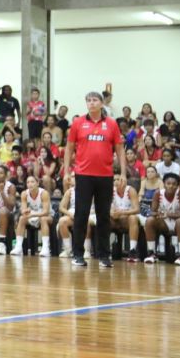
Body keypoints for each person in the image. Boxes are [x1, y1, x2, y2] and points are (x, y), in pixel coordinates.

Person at [63, 91, 128, 269]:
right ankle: (78, 255)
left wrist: (122, 173)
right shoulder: (78, 123)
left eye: (95, 100)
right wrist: (67, 171)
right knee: (81, 216)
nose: (91, 103)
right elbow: (69, 148)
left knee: (103, 217)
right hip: (83, 176)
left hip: (105, 176)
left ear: (101, 103)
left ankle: (104, 256)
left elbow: (120, 151)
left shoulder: (112, 124)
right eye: (88, 100)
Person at [143, 173, 180, 266]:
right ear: (164, 184)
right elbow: (152, 212)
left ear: (177, 185)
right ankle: (151, 253)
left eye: (174, 184)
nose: (171, 186)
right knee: (150, 220)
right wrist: (158, 214)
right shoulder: (158, 193)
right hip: (165, 222)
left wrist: (168, 214)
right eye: (168, 183)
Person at [11, 175, 53, 257]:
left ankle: (45, 248)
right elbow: (23, 210)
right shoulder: (24, 194)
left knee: (43, 219)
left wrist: (33, 214)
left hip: (47, 216)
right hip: (32, 216)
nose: (30, 184)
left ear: (37, 183)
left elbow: (46, 212)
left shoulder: (44, 193)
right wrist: (25, 211)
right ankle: (18, 247)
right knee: (22, 218)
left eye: (32, 182)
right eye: (28, 182)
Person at [110, 173, 141, 262]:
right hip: (116, 218)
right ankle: (104, 251)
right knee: (104, 218)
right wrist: (111, 213)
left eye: (118, 179)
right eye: (114, 180)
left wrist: (122, 213)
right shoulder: (110, 190)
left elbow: (137, 209)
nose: (116, 182)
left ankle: (132, 250)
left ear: (125, 181)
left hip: (127, 218)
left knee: (133, 218)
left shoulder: (131, 190)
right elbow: (107, 207)